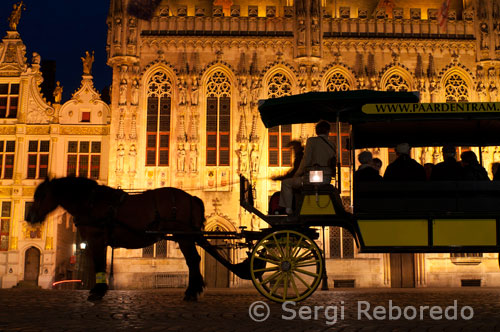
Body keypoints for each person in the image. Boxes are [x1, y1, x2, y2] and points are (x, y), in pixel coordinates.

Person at [278, 120, 336, 214]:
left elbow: (306, 160)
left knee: (286, 183)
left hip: (310, 179)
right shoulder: (332, 144)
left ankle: (288, 209)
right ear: (328, 131)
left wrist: (297, 174)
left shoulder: (312, 141)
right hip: (326, 179)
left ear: (317, 131)